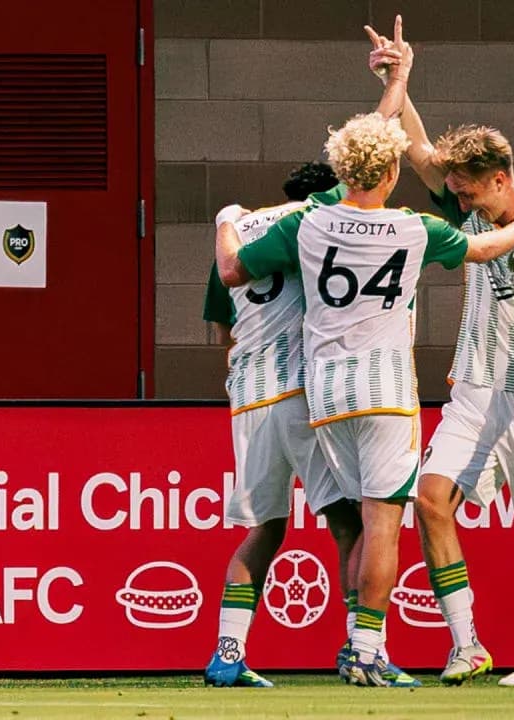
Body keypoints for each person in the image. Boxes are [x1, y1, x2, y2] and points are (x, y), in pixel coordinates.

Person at [216, 23, 514, 687]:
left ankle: (359, 645)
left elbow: (234, 271)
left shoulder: (308, 219)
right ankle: (367, 649)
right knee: (383, 524)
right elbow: (482, 248)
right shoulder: (414, 228)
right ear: (387, 171)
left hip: (322, 395)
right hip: (384, 391)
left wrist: (223, 224)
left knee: (350, 522)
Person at [366, 24, 514, 688]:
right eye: (457, 191)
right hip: (471, 390)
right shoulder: (469, 214)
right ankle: (467, 644)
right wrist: (398, 80)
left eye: (469, 189)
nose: (459, 198)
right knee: (430, 501)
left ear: (501, 178)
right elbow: (418, 154)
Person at [200, 161, 364, 688]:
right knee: (350, 524)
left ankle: (228, 653)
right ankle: (360, 646)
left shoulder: (240, 229)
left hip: (247, 395)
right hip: (300, 391)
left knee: (265, 526)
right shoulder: (316, 221)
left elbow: (220, 327)